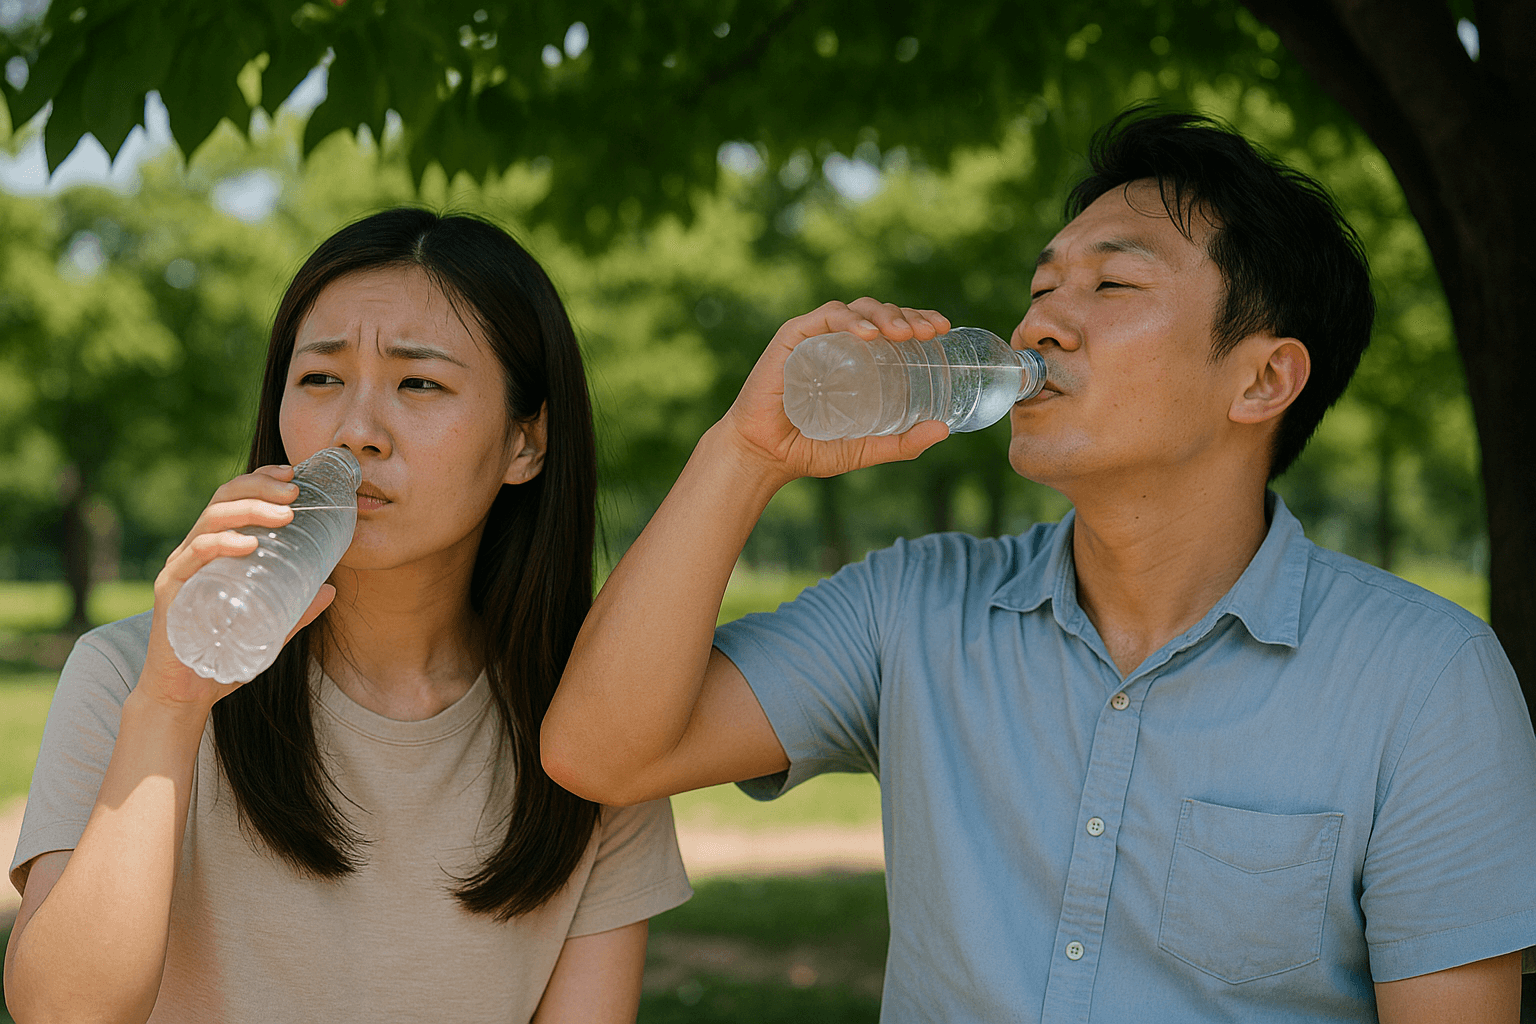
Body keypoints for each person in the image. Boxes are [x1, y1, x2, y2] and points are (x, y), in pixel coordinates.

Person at [541, 110, 1536, 1022]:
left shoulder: (1426, 682)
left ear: (1264, 377)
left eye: (1112, 284)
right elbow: (601, 751)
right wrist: (746, 453)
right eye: (1041, 288)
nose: (1038, 327)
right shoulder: (913, 608)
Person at [5, 209, 691, 1024]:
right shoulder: (130, 673)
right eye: (321, 380)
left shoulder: (598, 726)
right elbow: (61, 1015)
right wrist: (171, 706)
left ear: (526, 444)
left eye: (420, 384)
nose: (355, 431)